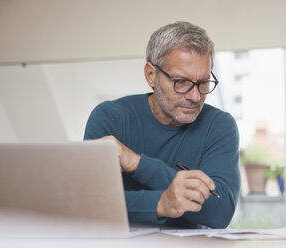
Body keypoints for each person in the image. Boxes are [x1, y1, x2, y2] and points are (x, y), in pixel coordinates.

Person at [84, 21, 240, 228]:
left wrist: (138, 163)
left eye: (203, 83)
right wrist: (160, 204)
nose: (195, 96)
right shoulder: (110, 117)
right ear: (151, 75)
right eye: (181, 82)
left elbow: (220, 213)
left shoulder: (219, 126)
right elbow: (89, 205)